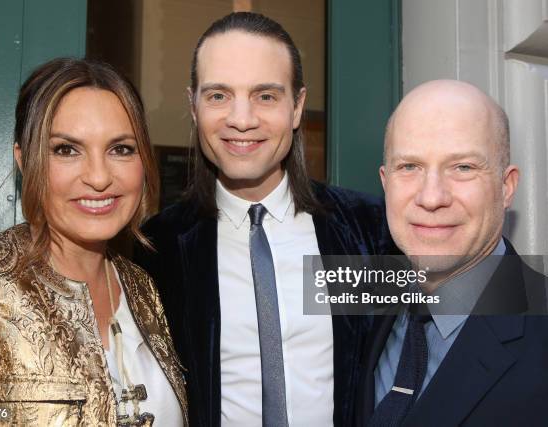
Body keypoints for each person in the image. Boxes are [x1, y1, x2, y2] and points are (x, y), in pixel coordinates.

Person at [134, 12, 394, 427]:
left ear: (297, 107)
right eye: (218, 95)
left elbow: (457, 327)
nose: (242, 118)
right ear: (193, 105)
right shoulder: (155, 251)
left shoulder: (366, 230)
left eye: (266, 96)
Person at [0, 58, 186, 426]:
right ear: (25, 161)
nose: (99, 177)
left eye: (120, 148)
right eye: (66, 149)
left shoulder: (143, 288)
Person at [355, 79, 548, 427]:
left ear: (506, 188)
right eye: (410, 167)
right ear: (386, 183)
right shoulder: (364, 308)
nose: (432, 198)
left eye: (463, 167)